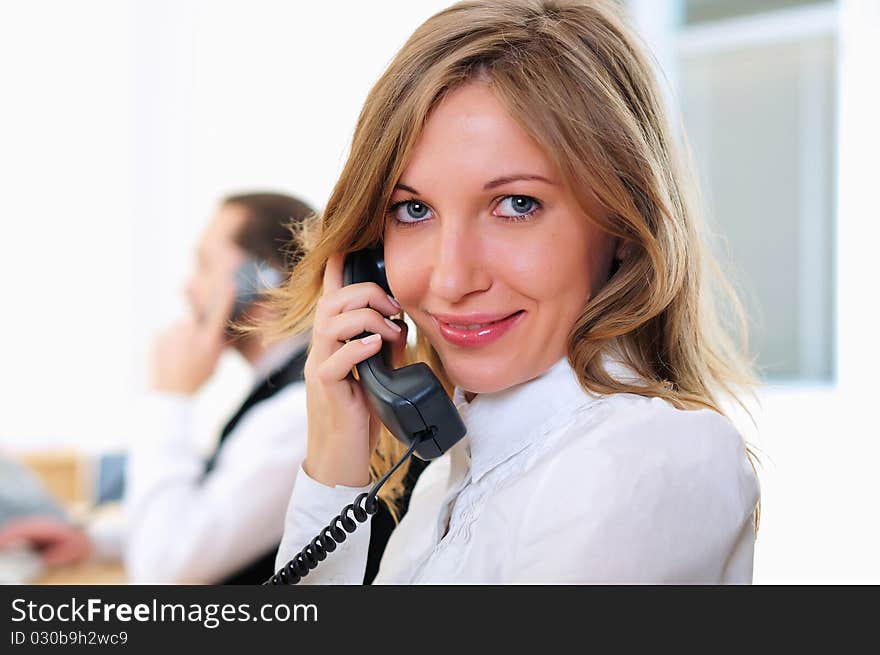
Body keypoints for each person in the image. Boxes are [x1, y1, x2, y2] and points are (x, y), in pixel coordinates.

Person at [268, 0, 761, 584]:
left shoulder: (645, 461)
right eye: (414, 209)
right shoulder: (460, 466)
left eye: (517, 205)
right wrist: (333, 463)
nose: (451, 280)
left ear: (624, 227)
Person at [1, 192, 318, 583]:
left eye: (204, 266)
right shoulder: (281, 390)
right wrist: (95, 542)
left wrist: (171, 395)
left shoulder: (299, 410)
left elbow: (163, 570)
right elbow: (215, 518)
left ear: (260, 279)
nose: (189, 288)